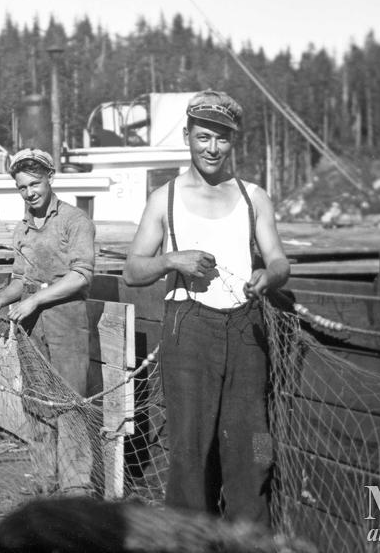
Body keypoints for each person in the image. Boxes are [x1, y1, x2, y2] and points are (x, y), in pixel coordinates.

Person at [123, 89, 290, 524]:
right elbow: (132, 270)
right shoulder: (165, 199)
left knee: (253, 444)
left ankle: (249, 539)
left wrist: (269, 276)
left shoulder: (254, 197)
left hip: (246, 329)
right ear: (187, 137)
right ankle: (186, 538)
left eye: (221, 139)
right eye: (203, 137)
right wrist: (171, 260)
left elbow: (278, 259)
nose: (212, 148)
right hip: (189, 331)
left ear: (233, 142)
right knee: (190, 448)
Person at [0, 148, 97, 496]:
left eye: (35, 184)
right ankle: (46, 485)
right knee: (36, 403)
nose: (30, 192)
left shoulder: (75, 221)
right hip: (30, 325)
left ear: (50, 178)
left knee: (70, 405)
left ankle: (76, 491)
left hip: (65, 320)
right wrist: (0, 299)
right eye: (22, 187)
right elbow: (19, 279)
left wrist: (35, 300)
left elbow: (81, 276)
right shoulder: (23, 227)